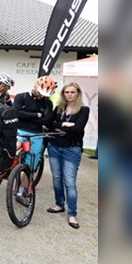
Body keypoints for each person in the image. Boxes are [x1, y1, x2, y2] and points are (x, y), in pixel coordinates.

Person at [46, 82, 90, 229]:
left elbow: (78, 129)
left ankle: (72, 213)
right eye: (67, 92)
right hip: (54, 147)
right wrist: (65, 124)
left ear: (78, 93)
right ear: (63, 94)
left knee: (69, 182)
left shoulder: (83, 109)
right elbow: (50, 124)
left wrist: (60, 124)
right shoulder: (58, 108)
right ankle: (59, 204)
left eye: (72, 92)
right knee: (57, 178)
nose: (69, 95)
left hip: (72, 149)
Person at [12, 75, 56, 204]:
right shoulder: (22, 97)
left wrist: (26, 115)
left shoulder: (48, 102)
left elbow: (47, 119)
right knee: (11, 149)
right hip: (19, 131)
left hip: (37, 134)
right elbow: (16, 112)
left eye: (44, 95)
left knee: (30, 166)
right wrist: (36, 115)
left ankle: (21, 191)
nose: (41, 97)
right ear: (35, 87)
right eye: (40, 93)